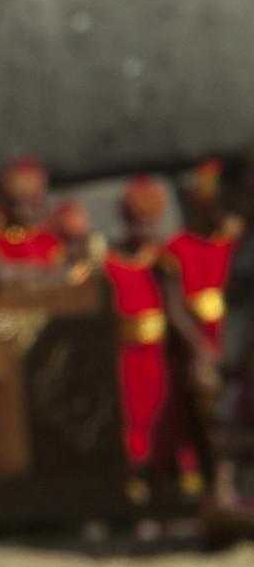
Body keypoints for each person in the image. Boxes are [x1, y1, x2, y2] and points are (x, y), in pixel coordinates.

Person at [164, 159, 244, 496]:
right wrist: (200, 349)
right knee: (216, 424)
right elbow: (175, 307)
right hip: (205, 349)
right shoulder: (177, 249)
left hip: (241, 343)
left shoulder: (241, 241)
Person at [104, 179, 176, 504]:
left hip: (160, 355)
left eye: (149, 223)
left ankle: (168, 481)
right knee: (130, 420)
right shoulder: (108, 262)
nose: (144, 230)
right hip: (124, 355)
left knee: (164, 415)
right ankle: (132, 482)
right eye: (137, 223)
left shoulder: (164, 261)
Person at [0, 157, 64, 288]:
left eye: (35, 203)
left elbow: (64, 274)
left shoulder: (47, 237)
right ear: (2, 202)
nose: (28, 212)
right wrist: (44, 273)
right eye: (19, 204)